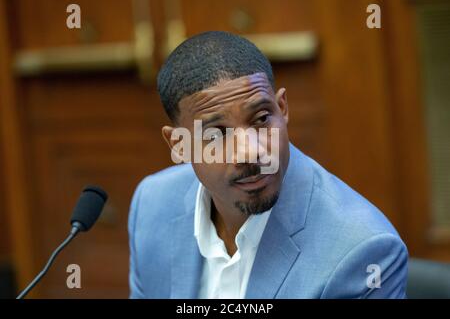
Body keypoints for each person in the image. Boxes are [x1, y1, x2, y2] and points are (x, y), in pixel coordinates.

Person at [128, 31, 408, 298]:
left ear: (282, 108)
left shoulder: (363, 251)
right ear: (179, 144)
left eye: (261, 119)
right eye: (216, 134)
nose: (251, 152)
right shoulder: (152, 206)